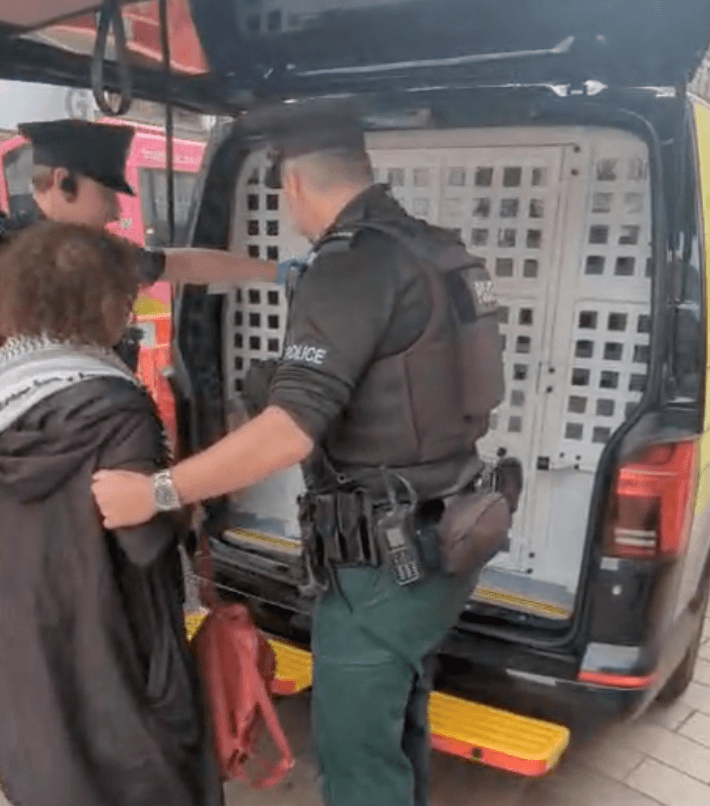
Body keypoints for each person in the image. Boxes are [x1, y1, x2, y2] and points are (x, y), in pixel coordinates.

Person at [92, 102, 505, 806]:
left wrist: (155, 492)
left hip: (385, 565)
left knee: (355, 764)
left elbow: (288, 431)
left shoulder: (349, 267)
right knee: (395, 725)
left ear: (293, 186)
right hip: (445, 533)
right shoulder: (431, 246)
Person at [0, 220, 223, 806]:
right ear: (102, 302)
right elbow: (142, 542)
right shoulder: (113, 404)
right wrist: (183, 498)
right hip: (116, 653)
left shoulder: (6, 387)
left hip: (22, 657)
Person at [0, 118, 277, 289]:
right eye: (108, 195)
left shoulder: (91, 252)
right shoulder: (12, 257)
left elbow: (183, 266)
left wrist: (274, 271)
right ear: (64, 182)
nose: (117, 213)